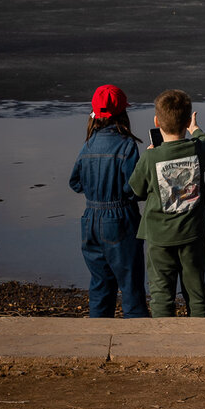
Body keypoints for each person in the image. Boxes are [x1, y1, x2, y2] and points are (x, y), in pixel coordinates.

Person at [129, 89, 205, 317]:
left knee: (161, 295)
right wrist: (195, 129)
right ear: (187, 121)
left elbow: (136, 190)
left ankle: (163, 345)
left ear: (157, 122)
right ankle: (202, 343)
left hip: (159, 237)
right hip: (193, 235)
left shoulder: (150, 157)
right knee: (196, 293)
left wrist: (147, 157)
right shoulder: (198, 149)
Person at [69, 83, 147, 318]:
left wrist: (96, 192)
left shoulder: (88, 144)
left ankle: (97, 343)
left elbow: (75, 183)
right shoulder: (126, 145)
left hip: (90, 219)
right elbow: (133, 189)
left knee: (100, 287)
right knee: (131, 286)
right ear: (123, 113)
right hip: (120, 218)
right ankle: (138, 345)